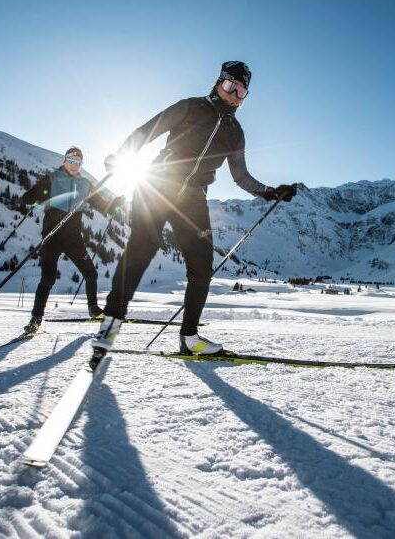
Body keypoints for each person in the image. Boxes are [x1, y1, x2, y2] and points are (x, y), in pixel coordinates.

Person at [92, 61, 297, 360]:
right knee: (142, 248)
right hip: (157, 185)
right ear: (218, 83)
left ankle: (189, 337)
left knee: (201, 266)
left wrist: (269, 192)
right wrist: (121, 155)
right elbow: (148, 131)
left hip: (193, 198)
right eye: (230, 86)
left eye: (241, 92)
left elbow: (240, 176)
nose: (234, 95)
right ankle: (110, 324)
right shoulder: (190, 107)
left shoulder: (236, 132)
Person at [20, 146, 123, 334]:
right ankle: (35, 319)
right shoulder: (52, 178)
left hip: (73, 238)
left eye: (78, 162)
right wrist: (34, 196)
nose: (75, 165)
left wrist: (115, 203)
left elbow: (100, 203)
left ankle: (93, 310)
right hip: (51, 236)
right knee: (48, 278)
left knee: (91, 273)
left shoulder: (85, 184)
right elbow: (31, 196)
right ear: (64, 161)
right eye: (72, 160)